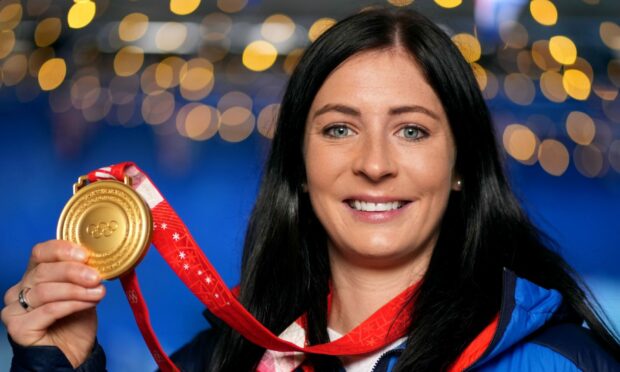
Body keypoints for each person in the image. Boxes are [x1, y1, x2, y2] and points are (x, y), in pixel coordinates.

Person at [3, 7, 620, 372]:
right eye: (339, 128)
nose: (374, 164)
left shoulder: (558, 362)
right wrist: (57, 361)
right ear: (299, 162)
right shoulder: (225, 360)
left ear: (462, 164)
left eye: (411, 130)